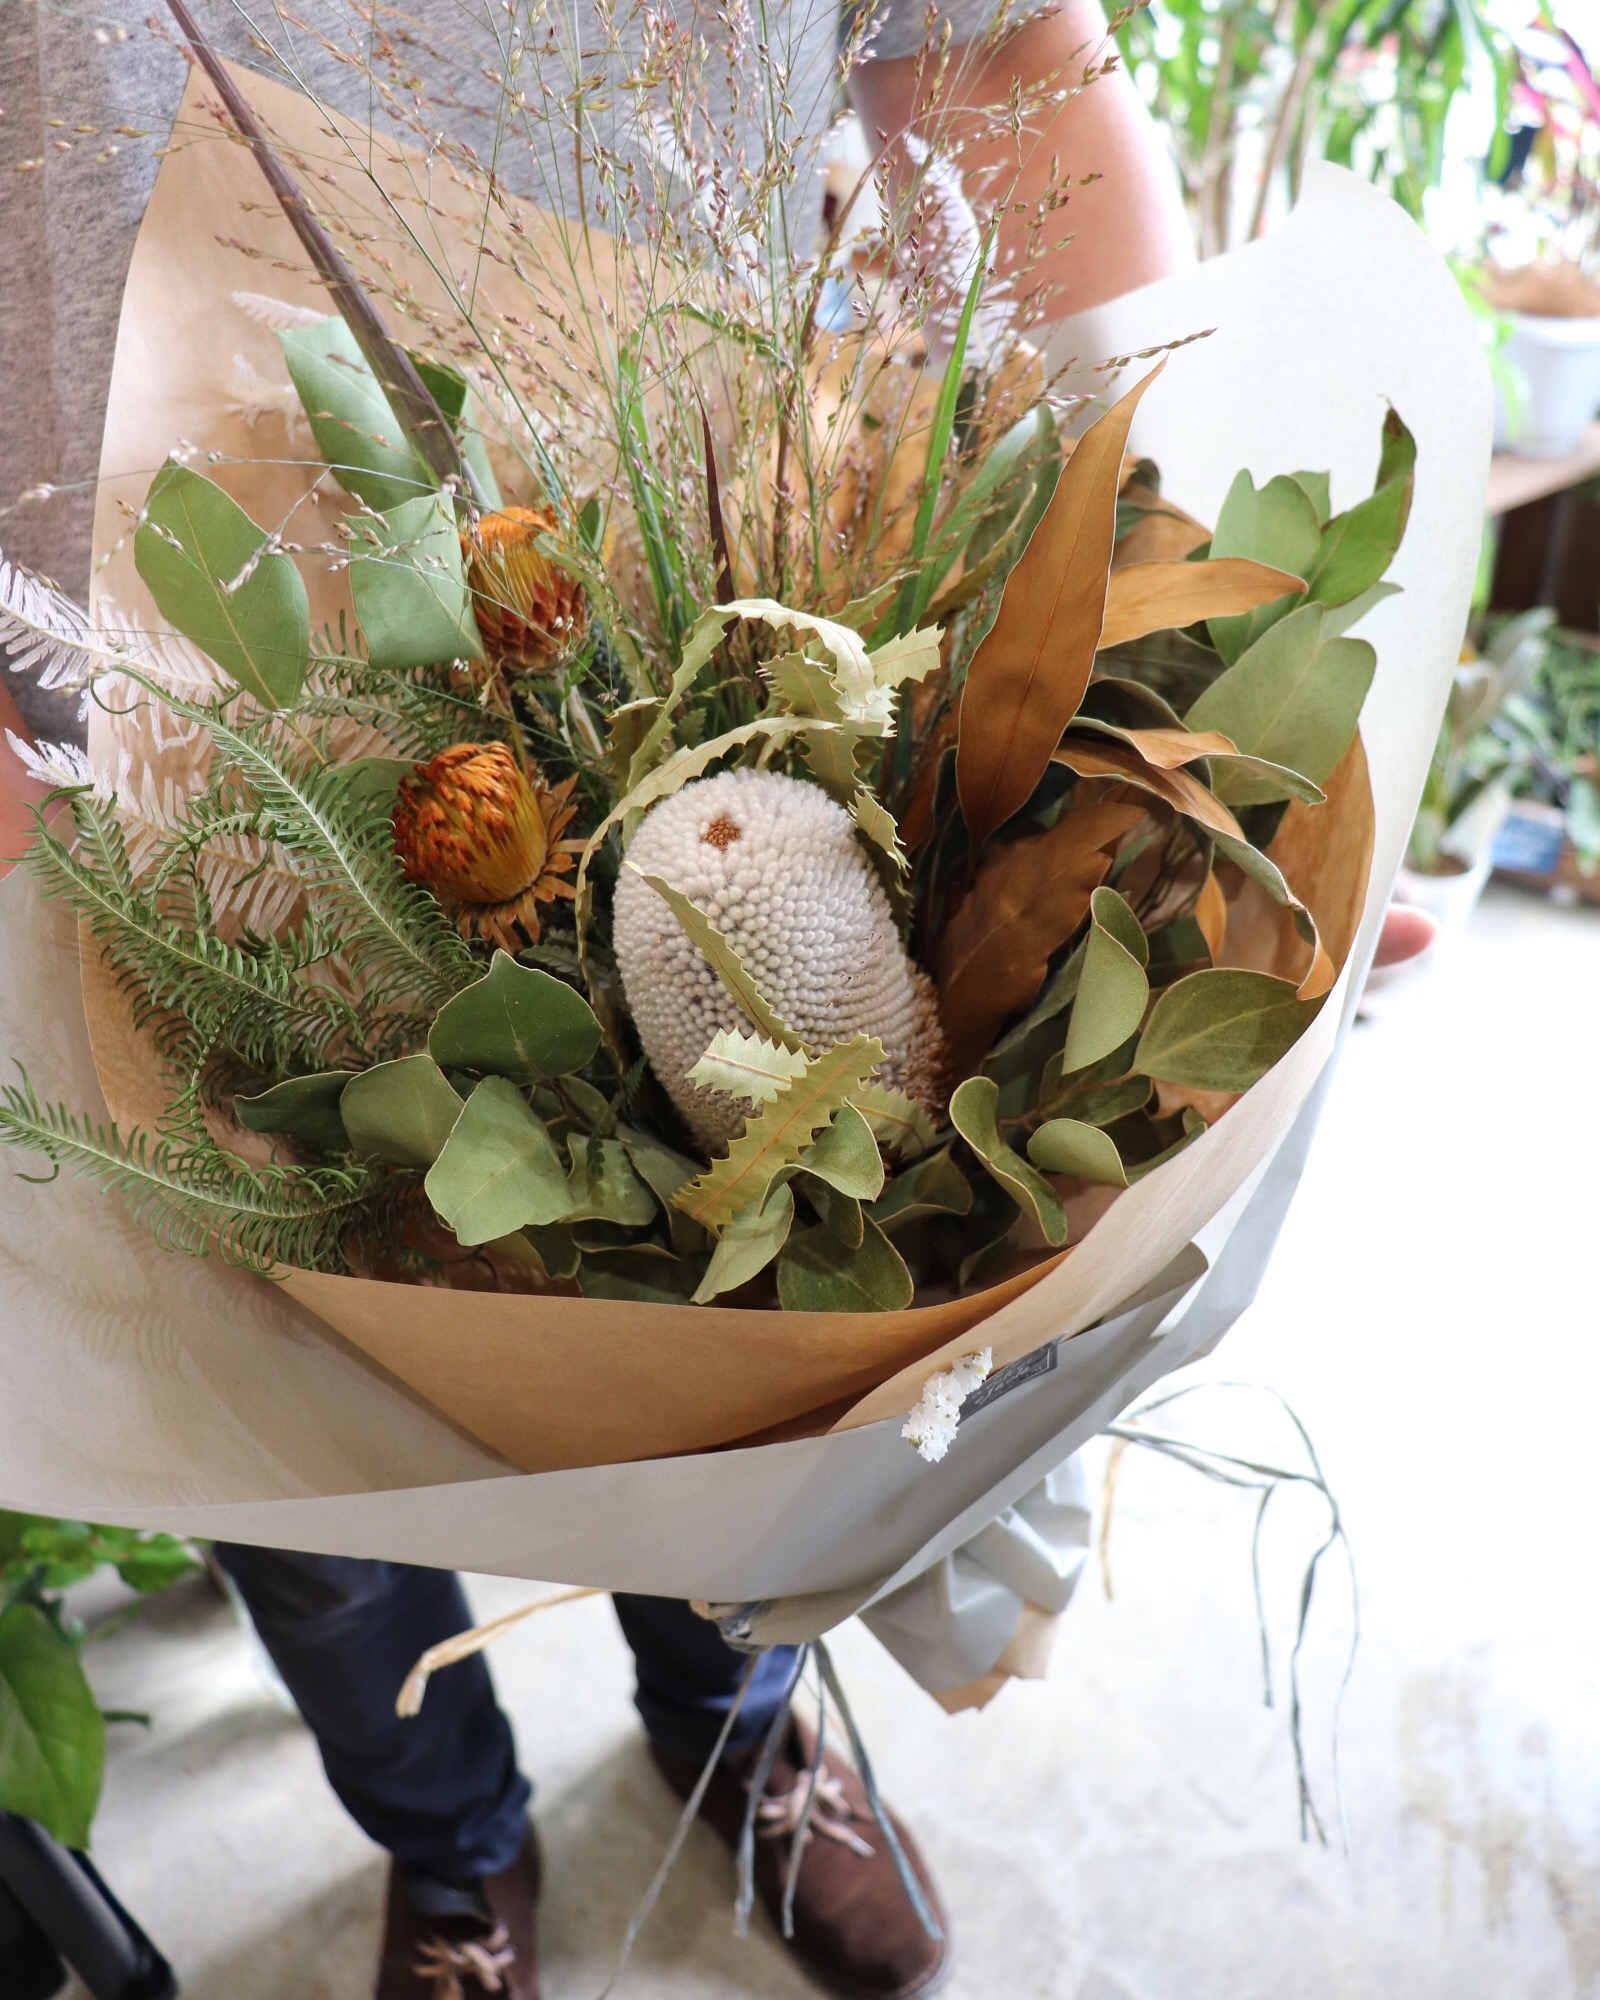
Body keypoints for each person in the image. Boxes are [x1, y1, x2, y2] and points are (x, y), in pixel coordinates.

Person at [0, 6, 1432, 1996]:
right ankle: (447, 1846)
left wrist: (1153, 643)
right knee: (265, 1409)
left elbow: (990, 47)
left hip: (745, 620)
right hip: (144, 742)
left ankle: (736, 1739)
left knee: (755, 1333)